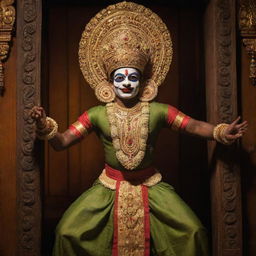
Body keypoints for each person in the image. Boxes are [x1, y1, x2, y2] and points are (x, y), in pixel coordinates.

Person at [30, 2, 247, 256]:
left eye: (132, 77)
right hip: (108, 188)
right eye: (119, 78)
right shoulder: (97, 114)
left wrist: (221, 132)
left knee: (194, 232)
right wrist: (43, 125)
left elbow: (194, 126)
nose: (126, 83)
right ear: (109, 82)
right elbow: (62, 142)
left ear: (143, 81)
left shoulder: (158, 111)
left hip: (151, 186)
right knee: (66, 232)